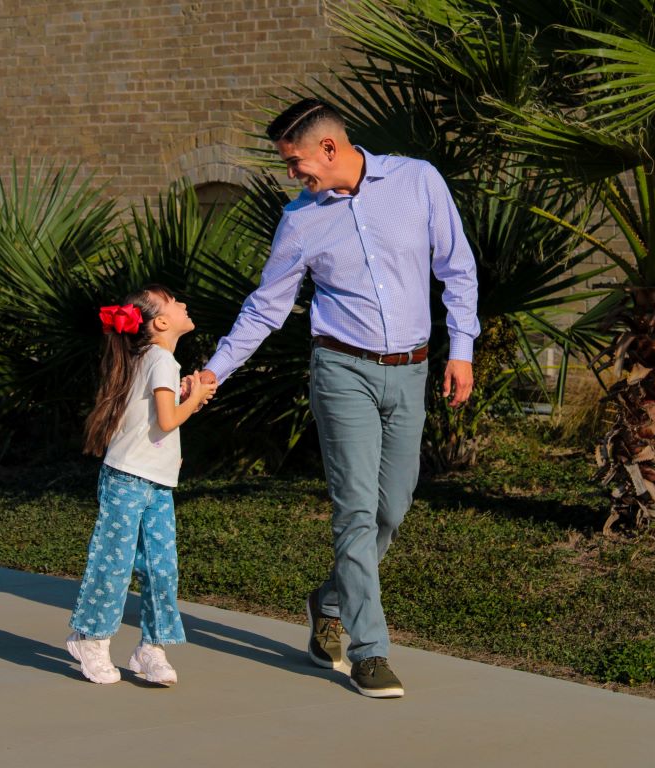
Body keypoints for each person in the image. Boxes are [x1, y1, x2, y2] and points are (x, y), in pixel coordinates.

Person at [200, 98, 479, 698]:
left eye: (297, 164)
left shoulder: (417, 181)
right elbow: (265, 309)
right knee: (354, 509)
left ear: (329, 148)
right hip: (341, 370)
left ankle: (328, 599)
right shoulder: (300, 220)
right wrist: (214, 372)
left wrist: (463, 348)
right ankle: (369, 650)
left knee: (392, 509)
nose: (294, 177)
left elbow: (456, 267)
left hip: (411, 370)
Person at [66, 285, 216, 686]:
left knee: (162, 568)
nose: (184, 302)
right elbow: (168, 422)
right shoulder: (161, 360)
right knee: (113, 562)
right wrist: (197, 394)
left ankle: (151, 648)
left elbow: (154, 416)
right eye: (174, 301)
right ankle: (90, 639)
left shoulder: (151, 358)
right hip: (129, 477)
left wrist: (188, 396)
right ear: (162, 322)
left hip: (156, 481)